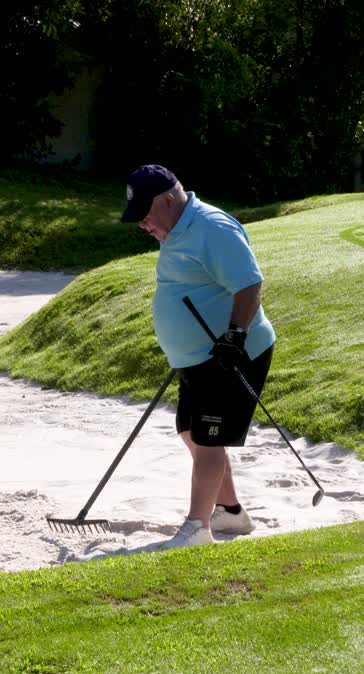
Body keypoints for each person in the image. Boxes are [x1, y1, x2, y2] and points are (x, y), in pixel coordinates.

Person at [120, 164, 276, 550]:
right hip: (196, 358)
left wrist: (235, 336)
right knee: (191, 433)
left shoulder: (212, 228)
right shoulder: (176, 230)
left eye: (144, 213)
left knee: (208, 439)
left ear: (168, 200)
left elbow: (250, 284)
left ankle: (197, 528)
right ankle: (231, 512)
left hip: (229, 353)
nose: (141, 223)